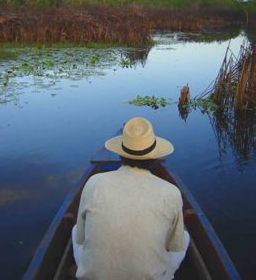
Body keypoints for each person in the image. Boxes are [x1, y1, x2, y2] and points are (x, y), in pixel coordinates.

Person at [72, 117, 190, 280]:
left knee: (74, 229)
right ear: (155, 158)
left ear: (121, 155)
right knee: (184, 237)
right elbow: (173, 246)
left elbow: (80, 237)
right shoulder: (171, 192)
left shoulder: (94, 182)